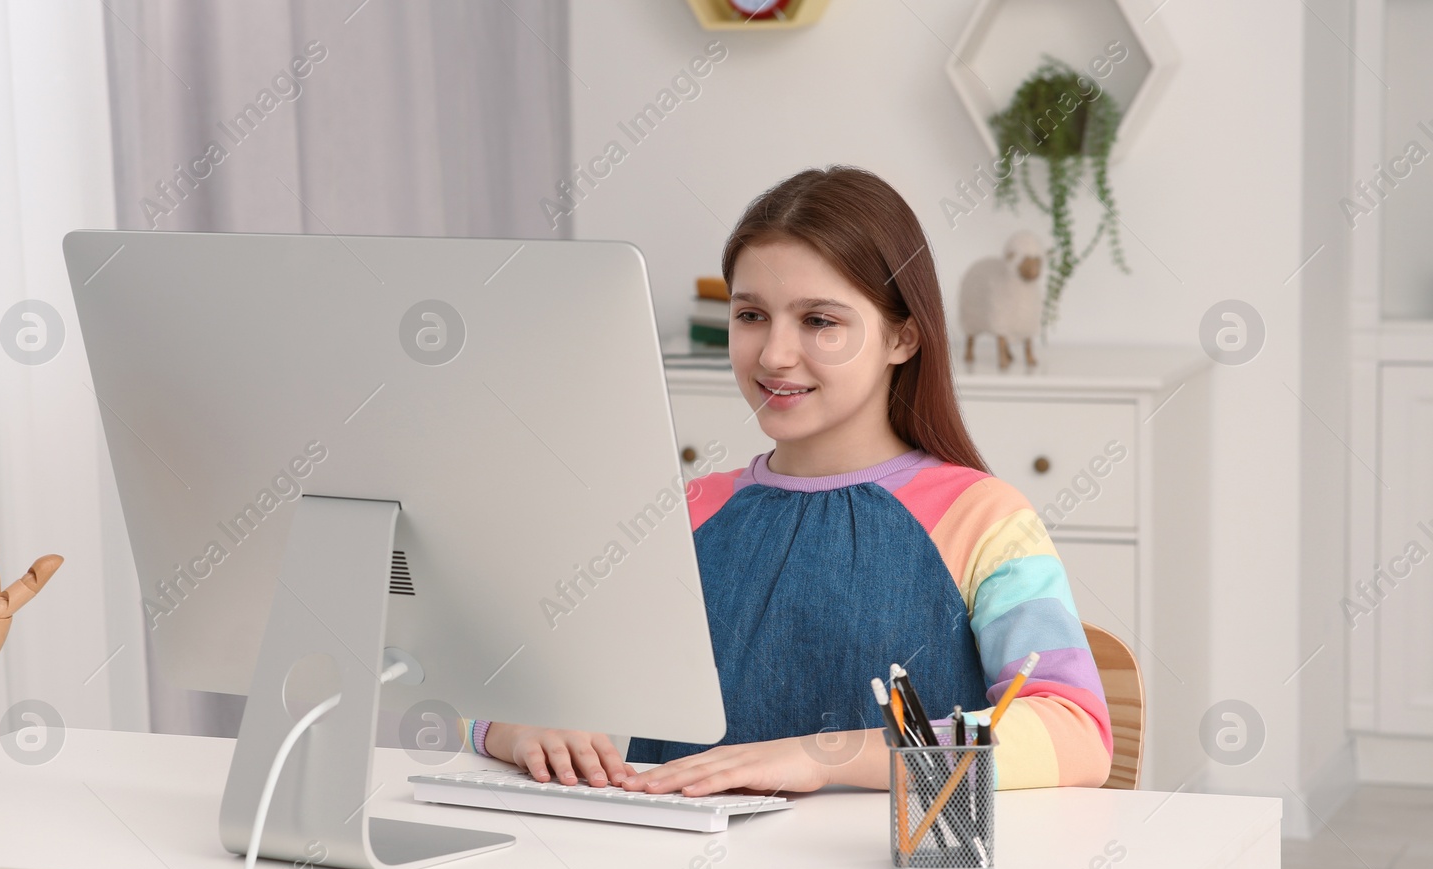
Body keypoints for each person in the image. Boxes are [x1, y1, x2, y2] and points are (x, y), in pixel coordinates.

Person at [471, 165, 1112, 796]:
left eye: (819, 321)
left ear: (902, 337)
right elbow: (497, 688)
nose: (773, 354)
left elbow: (1076, 732)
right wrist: (518, 726)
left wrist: (824, 758)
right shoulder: (682, 513)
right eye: (751, 315)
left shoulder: (980, 516)